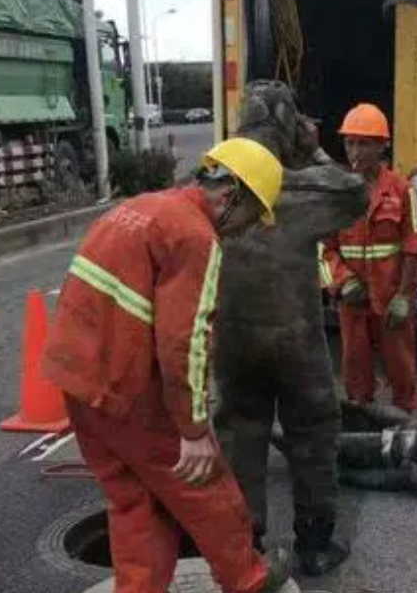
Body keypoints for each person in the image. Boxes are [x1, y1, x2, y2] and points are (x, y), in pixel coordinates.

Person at [42, 138, 291, 593]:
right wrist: (194, 430)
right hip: (127, 390)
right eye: (252, 217)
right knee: (208, 484)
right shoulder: (195, 235)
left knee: (136, 504)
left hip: (78, 382)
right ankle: (250, 579)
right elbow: (185, 343)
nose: (243, 231)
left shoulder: (139, 208)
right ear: (231, 193)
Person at [319, 103, 417, 413]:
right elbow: (323, 250)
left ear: (382, 146)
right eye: (350, 143)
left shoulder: (403, 191)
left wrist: (405, 296)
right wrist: (342, 281)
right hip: (352, 302)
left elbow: (413, 245)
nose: (355, 151)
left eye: (364, 144)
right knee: (355, 369)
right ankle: (360, 418)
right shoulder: (336, 194)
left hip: (391, 300)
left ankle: (404, 423)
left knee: (401, 368)